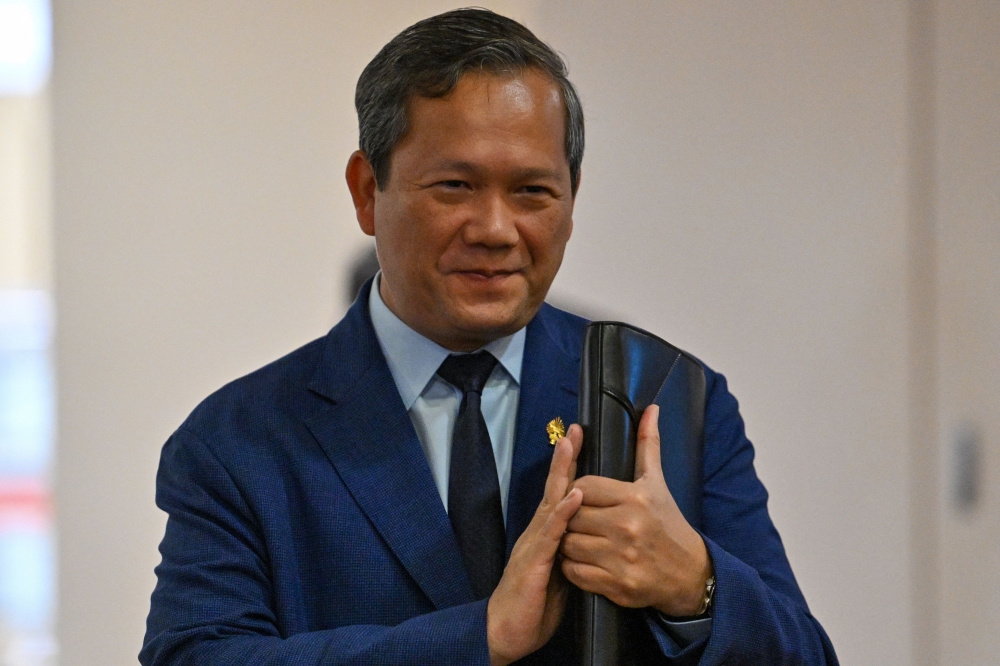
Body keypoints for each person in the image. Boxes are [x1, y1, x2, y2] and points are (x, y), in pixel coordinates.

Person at [141, 8, 838, 665]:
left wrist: (696, 586)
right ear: (365, 191)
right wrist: (479, 638)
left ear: (571, 201)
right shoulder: (240, 441)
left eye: (533, 191)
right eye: (454, 186)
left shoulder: (665, 399)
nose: (497, 229)